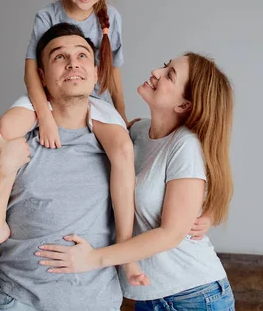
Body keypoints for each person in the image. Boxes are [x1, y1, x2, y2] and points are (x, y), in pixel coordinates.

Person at [0, 0, 144, 284]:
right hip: (46, 95)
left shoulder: (110, 17)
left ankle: (126, 250)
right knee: (7, 129)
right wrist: (45, 116)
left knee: (124, 149)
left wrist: (122, 114)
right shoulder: (47, 15)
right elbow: (30, 72)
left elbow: (112, 72)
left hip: (90, 100)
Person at [35, 53, 236, 310]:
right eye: (165, 65)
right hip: (149, 296)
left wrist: (94, 259)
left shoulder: (185, 146)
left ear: (184, 105)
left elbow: (171, 235)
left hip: (194, 296)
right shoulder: (137, 132)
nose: (156, 71)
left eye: (169, 75)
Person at [0, 23, 127, 310]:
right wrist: (2, 167)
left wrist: (205, 214)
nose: (72, 64)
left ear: (95, 72)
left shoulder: (118, 145)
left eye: (82, 56)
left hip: (98, 303)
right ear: (41, 77)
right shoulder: (12, 138)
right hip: (19, 302)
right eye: (59, 57)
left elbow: (167, 184)